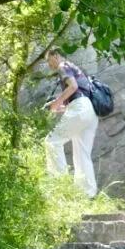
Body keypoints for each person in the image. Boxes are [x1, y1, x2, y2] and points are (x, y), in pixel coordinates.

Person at [44, 50, 98, 197]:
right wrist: (61, 108)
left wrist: (56, 103)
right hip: (90, 111)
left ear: (55, 55)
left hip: (80, 108)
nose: (49, 65)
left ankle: (60, 186)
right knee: (82, 154)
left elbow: (72, 87)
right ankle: (87, 194)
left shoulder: (63, 66)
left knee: (52, 142)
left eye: (49, 60)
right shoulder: (76, 68)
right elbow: (78, 97)